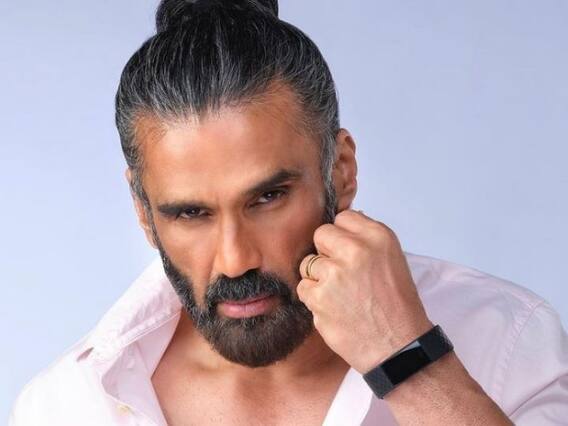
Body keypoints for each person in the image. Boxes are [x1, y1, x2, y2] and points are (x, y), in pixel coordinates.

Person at [10, 0, 568, 425]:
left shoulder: (506, 341)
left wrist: (408, 361)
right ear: (142, 209)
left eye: (267, 198)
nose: (235, 261)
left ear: (340, 171)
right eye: (191, 214)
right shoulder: (66, 407)